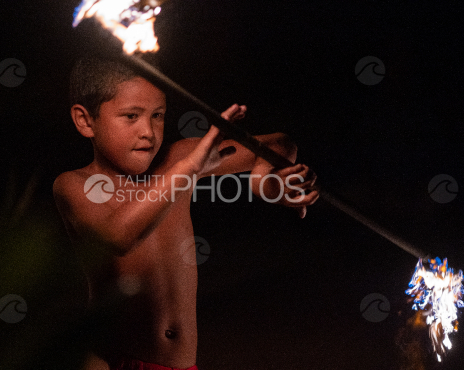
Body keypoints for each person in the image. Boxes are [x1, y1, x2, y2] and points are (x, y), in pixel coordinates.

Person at [53, 56, 319, 370]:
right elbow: (118, 236)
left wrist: (264, 181)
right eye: (131, 116)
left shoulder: (176, 158)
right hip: (115, 360)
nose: (148, 132)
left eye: (158, 116)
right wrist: (190, 168)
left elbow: (278, 143)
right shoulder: (73, 184)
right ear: (85, 121)